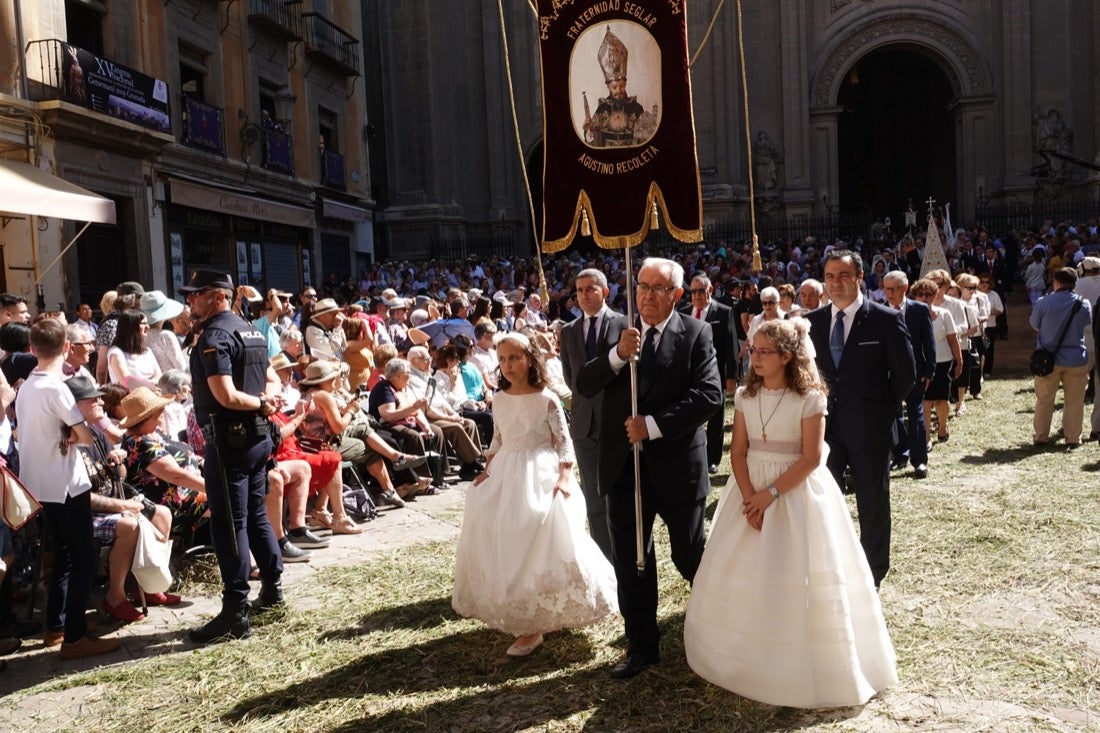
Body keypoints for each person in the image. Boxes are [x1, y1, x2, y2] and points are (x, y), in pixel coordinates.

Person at [683, 319, 897, 707]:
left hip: (795, 492)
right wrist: (749, 497)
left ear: (786, 356)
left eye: (765, 351)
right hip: (749, 494)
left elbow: (812, 457)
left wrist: (770, 495)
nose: (755, 357)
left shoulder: (810, 398)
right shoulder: (747, 396)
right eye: (753, 350)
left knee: (793, 568)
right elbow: (738, 451)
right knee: (745, 568)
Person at [576, 257, 722, 679]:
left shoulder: (696, 333)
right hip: (625, 469)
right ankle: (642, 644)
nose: (647, 296)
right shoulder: (616, 331)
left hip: (676, 467)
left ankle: (721, 625)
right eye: (642, 286)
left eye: (659, 289)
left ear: (677, 294)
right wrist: (618, 356)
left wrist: (653, 426)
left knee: (689, 553)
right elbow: (585, 384)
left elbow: (710, 395)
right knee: (632, 560)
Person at [452, 332, 617, 657]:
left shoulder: (546, 399)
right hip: (505, 472)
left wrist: (565, 477)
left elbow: (563, 442)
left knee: (537, 529)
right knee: (504, 533)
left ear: (530, 359)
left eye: (514, 358)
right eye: (502, 359)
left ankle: (536, 622)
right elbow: (499, 438)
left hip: (539, 469)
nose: (508, 365)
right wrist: (487, 469)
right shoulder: (498, 398)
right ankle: (519, 607)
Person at [182, 269, 284, 644]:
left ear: (218, 296)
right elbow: (273, 379)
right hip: (256, 438)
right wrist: (267, 402)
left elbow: (224, 395)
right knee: (255, 513)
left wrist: (259, 403)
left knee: (229, 523)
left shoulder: (216, 335)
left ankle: (235, 611)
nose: (191, 300)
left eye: (197, 294)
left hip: (231, 441)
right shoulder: (251, 331)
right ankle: (272, 591)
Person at [805, 250, 915, 589]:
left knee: (873, 500)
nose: (836, 283)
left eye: (843, 275)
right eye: (830, 276)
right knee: (826, 500)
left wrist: (880, 410)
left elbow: (906, 375)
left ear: (860, 276)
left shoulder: (884, 319)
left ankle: (872, 573)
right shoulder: (814, 322)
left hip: (870, 428)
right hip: (825, 430)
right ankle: (832, 567)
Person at [16, 319, 122, 659]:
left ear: (32, 349)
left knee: (62, 554)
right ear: (65, 348)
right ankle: (74, 637)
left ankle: (57, 626)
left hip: (39, 484)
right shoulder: (57, 387)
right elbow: (87, 435)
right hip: (64, 484)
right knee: (83, 558)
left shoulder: (26, 386)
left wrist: (66, 434)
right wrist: (71, 435)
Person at [69, 376, 178, 623]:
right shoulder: (70, 440)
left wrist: (117, 464)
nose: (100, 401)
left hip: (113, 500)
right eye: (92, 398)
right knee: (128, 524)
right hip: (86, 512)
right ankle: (115, 597)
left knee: (163, 514)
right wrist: (123, 506)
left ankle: (151, 585)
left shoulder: (95, 431)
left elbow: (118, 477)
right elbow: (80, 498)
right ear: (76, 405)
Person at [558, 268, 626, 560]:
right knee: (594, 499)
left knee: (620, 495)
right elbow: (570, 376)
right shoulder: (569, 331)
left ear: (605, 291)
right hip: (584, 426)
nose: (584, 296)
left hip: (616, 423)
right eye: (579, 290)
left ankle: (624, 554)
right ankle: (604, 559)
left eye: (590, 289)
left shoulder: (625, 324)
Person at [679, 272, 739, 472]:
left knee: (715, 417)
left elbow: (731, 345)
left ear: (710, 291)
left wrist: (732, 375)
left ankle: (712, 458)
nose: (695, 296)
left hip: (715, 373)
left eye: (700, 291)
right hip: (688, 375)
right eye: (693, 292)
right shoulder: (684, 312)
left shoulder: (723, 312)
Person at [1031, 267, 1092, 447]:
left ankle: (1041, 436)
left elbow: (1035, 325)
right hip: (1076, 359)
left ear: (1056, 282)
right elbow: (1086, 323)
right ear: (1074, 284)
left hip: (1047, 360)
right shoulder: (1084, 304)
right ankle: (1073, 438)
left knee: (1044, 400)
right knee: (1075, 401)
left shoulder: (1043, 302)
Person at [883, 271, 935, 478]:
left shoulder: (919, 310)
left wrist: (930, 370)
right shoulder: (877, 309)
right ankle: (900, 453)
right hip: (887, 375)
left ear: (905, 288)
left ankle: (919, 460)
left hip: (916, 373)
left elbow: (928, 342)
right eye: (886, 289)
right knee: (892, 417)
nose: (889, 293)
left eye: (894, 289)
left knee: (917, 417)